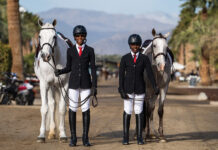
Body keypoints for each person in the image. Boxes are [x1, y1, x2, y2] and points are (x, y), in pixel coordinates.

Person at [54, 25, 97, 147]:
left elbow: (93, 69)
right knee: (72, 109)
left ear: (85, 37)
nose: (80, 37)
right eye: (77, 35)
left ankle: (85, 138)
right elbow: (68, 67)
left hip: (86, 84)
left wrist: (95, 86)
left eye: (82, 35)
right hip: (73, 84)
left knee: (85, 110)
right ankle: (73, 138)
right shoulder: (70, 50)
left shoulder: (90, 50)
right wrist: (60, 71)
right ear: (74, 37)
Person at [118, 34, 159, 145]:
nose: (135, 46)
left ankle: (140, 137)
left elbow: (150, 74)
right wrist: (121, 90)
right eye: (132, 44)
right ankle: (125, 137)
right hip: (127, 90)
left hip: (140, 89)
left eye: (136, 44)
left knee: (139, 112)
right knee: (127, 111)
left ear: (140, 45)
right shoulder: (125, 58)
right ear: (129, 45)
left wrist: (155, 86)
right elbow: (121, 75)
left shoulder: (144, 58)